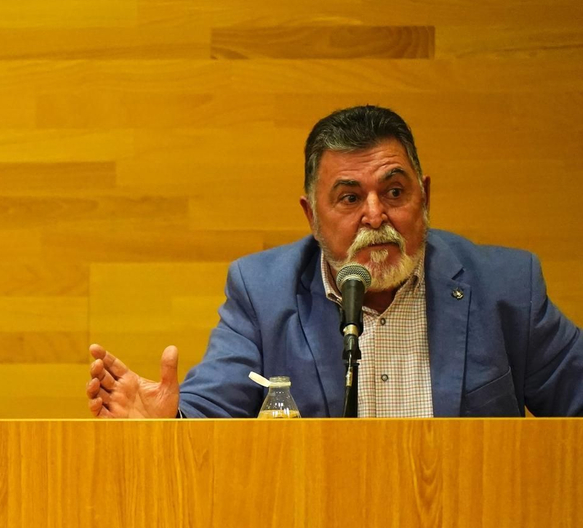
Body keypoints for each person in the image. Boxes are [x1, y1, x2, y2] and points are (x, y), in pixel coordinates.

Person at [87, 105, 583, 418]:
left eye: (393, 191)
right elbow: (214, 410)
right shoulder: (264, 293)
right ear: (312, 216)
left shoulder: (506, 286)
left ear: (424, 196)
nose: (375, 215)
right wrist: (166, 423)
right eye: (349, 198)